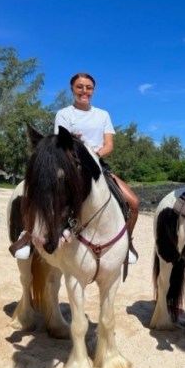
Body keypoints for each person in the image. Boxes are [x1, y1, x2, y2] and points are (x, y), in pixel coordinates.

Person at [54, 72, 139, 263]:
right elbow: (62, 143)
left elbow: (109, 144)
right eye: (80, 87)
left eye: (88, 87)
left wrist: (93, 157)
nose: (84, 91)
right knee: (50, 196)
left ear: (93, 90)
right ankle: (34, 236)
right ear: (72, 89)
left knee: (133, 203)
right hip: (72, 166)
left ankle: (128, 243)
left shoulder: (103, 115)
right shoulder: (64, 114)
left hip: (98, 166)